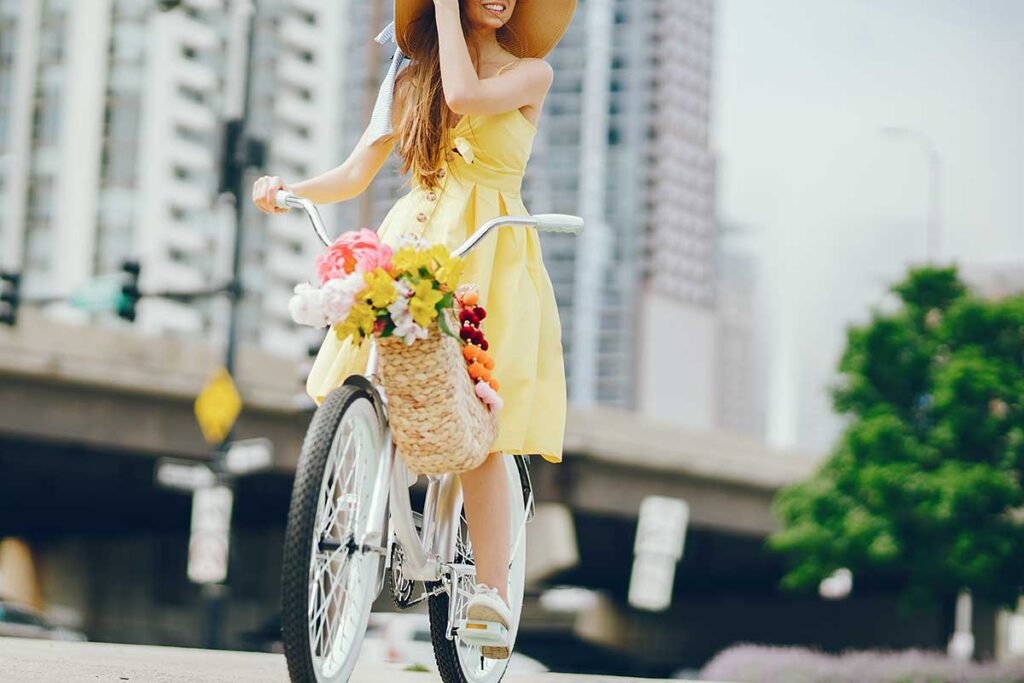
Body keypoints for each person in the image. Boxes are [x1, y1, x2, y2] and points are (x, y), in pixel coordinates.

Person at [252, 0, 576, 660]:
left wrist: (449, 15)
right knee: (366, 378)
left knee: (479, 427)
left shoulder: (528, 73)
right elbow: (353, 174)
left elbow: (466, 93)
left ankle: (488, 590)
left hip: (488, 254)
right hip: (414, 243)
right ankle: (358, 534)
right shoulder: (408, 79)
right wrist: (289, 191)